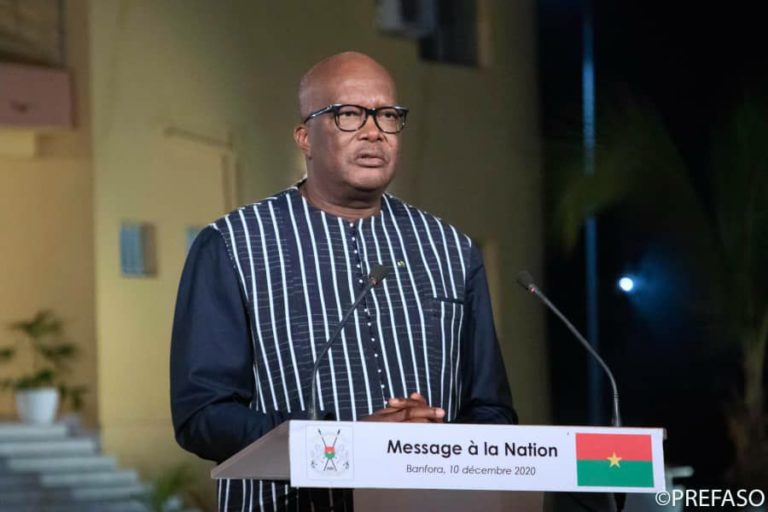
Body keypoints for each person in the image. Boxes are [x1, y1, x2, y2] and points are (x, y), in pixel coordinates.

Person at [170, 51, 516, 512]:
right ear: (305, 138)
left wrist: (435, 446)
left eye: (387, 115)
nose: (374, 131)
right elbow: (202, 417)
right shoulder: (232, 245)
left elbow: (492, 410)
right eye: (348, 114)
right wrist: (345, 443)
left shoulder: (450, 249)